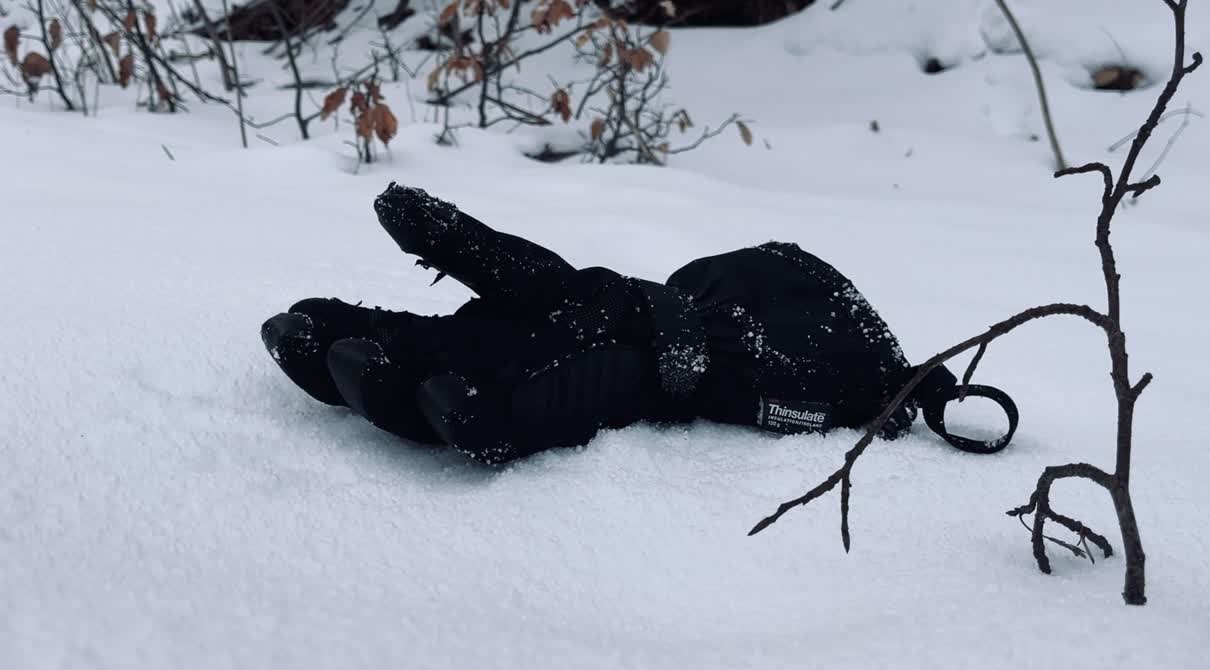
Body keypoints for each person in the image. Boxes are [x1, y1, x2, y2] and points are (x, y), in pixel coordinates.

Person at [261, 183, 1018, 464]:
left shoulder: (856, 378)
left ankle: (431, 370)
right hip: (643, 318)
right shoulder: (837, 353)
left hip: (662, 347)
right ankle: (410, 351)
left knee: (552, 356)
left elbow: (701, 371)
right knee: (534, 322)